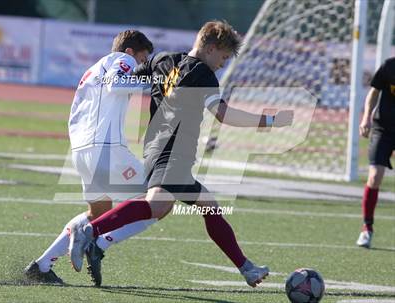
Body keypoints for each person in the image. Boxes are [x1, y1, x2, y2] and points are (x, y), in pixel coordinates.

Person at [69, 20, 293, 287]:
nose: (222, 64)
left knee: (209, 207)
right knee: (156, 206)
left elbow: (121, 81)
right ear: (210, 48)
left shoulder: (162, 60)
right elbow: (223, 114)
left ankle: (247, 268)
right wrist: (270, 122)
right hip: (174, 151)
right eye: (222, 57)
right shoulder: (203, 74)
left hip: (157, 149)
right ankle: (90, 231)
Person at [24, 30, 157, 286]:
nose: (141, 66)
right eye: (142, 59)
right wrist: (155, 80)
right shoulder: (123, 59)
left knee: (97, 213)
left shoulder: (94, 68)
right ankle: (97, 243)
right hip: (105, 148)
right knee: (157, 202)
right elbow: (116, 84)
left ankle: (41, 266)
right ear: (130, 52)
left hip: (82, 151)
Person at [356, 57, 395, 249]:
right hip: (384, 129)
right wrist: (366, 118)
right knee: (375, 176)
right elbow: (374, 91)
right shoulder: (389, 66)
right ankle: (367, 229)